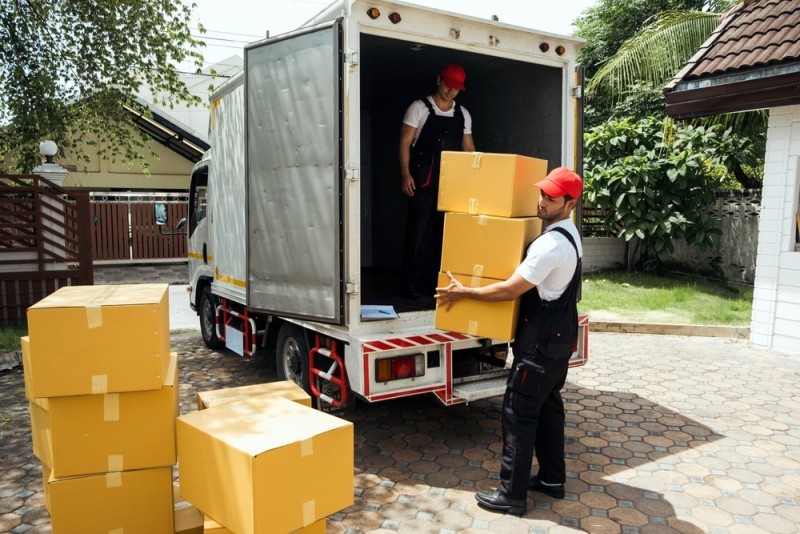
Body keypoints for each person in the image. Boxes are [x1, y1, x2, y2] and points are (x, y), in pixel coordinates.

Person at [435, 167, 583, 515]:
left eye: (551, 198)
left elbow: (510, 290)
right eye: (542, 193)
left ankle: (511, 495)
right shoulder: (572, 235)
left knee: (518, 412)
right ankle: (552, 479)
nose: (542, 201)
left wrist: (465, 292)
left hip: (540, 344)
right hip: (560, 339)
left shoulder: (550, 244)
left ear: (570, 204)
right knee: (548, 408)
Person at [399, 63, 476, 299]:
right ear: (439, 80)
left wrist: (476, 180)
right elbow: (404, 143)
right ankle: (411, 283)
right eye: (448, 85)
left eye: (457, 88)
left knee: (444, 234)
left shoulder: (462, 114)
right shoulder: (419, 108)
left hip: (451, 185)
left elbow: (468, 149)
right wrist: (405, 174)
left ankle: (438, 283)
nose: (451, 91)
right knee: (418, 232)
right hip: (422, 181)